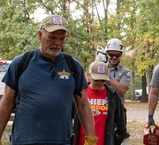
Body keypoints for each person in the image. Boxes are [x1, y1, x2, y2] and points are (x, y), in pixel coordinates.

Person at [0, 15, 97, 145]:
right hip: (24, 141)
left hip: (61, 141)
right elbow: (6, 103)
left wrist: (91, 140)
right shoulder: (21, 63)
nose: (57, 43)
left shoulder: (73, 66)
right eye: (52, 37)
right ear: (40, 35)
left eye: (61, 39)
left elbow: (83, 105)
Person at [73, 61, 127, 145]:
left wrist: (117, 140)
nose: (99, 83)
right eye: (96, 79)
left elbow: (120, 122)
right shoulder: (80, 92)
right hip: (81, 141)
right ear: (89, 75)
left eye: (102, 80)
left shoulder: (112, 95)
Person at [104, 38, 131, 143]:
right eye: (111, 55)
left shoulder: (125, 71)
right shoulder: (99, 67)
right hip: (101, 108)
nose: (114, 57)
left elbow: (122, 90)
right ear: (106, 53)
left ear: (121, 55)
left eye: (117, 55)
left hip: (118, 111)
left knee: (119, 139)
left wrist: (105, 77)